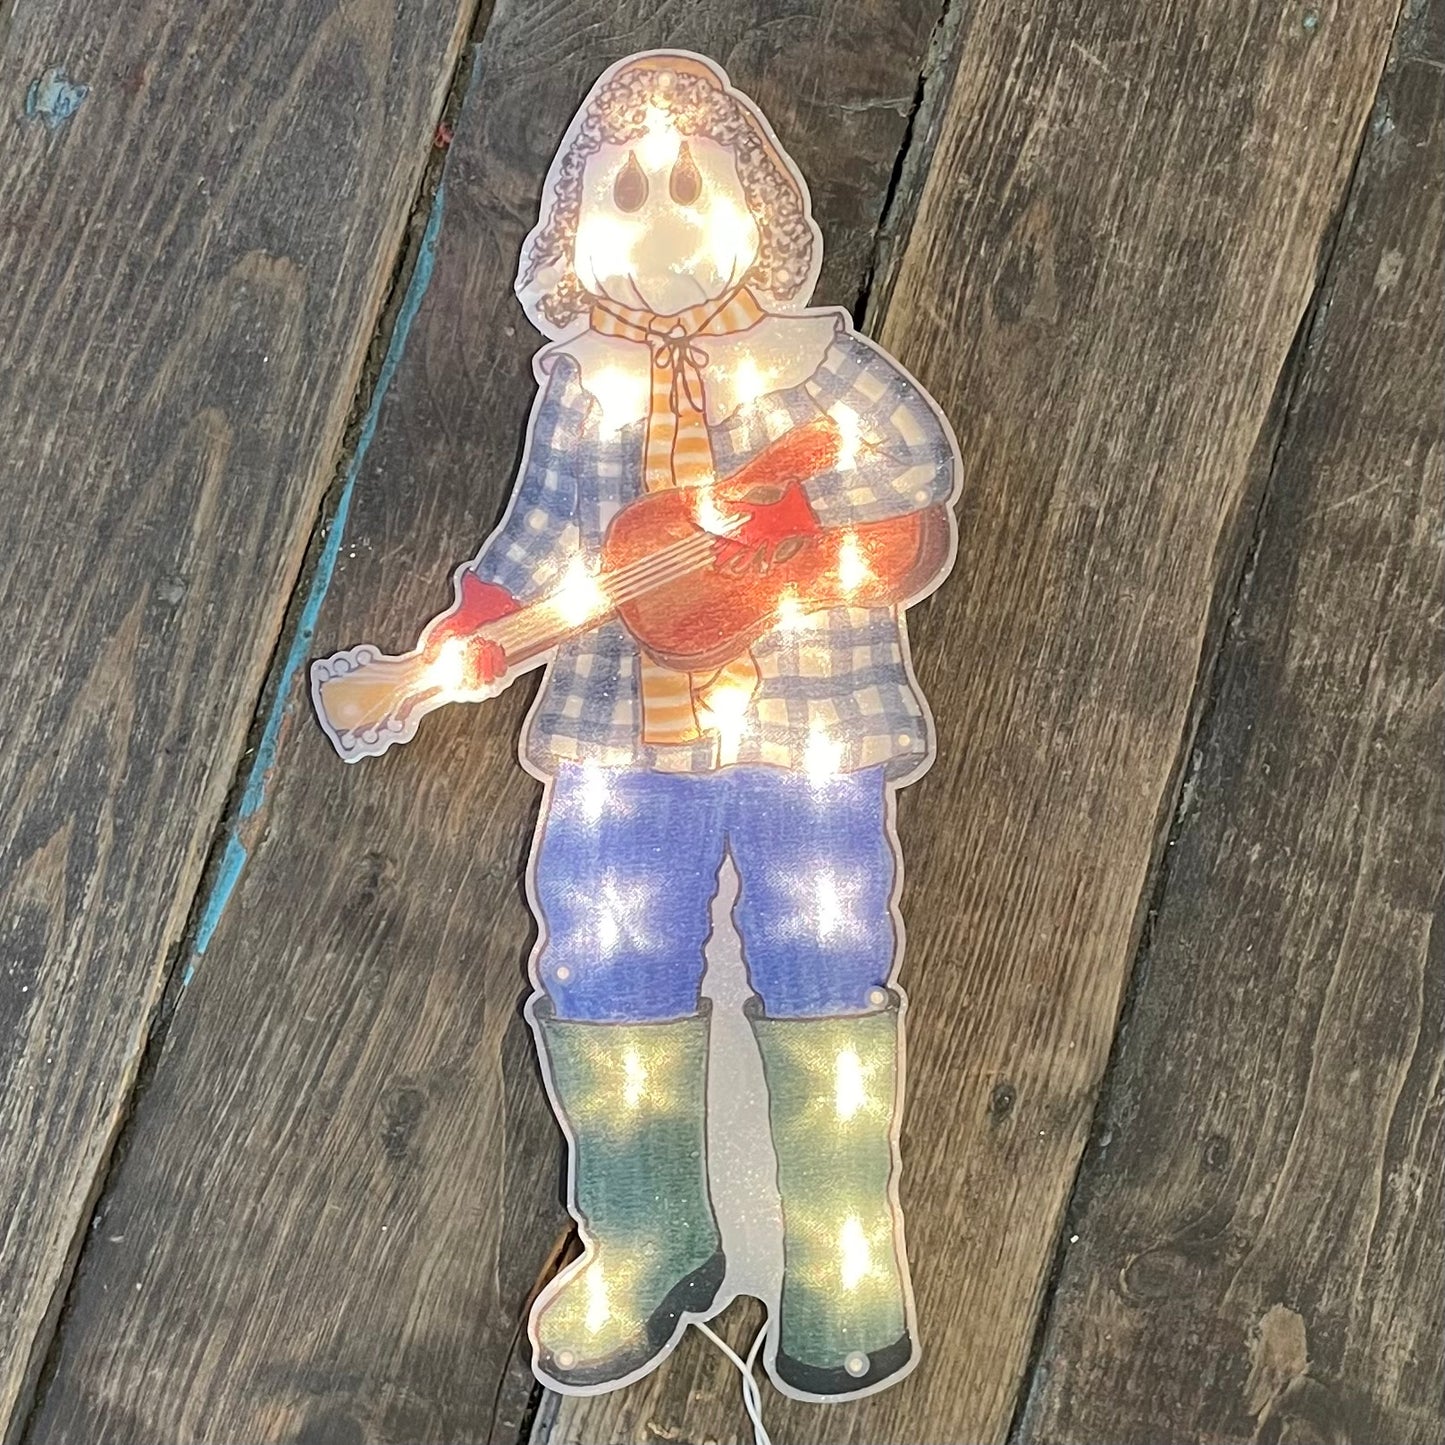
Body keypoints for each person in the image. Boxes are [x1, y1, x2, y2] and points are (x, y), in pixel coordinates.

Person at [420, 51, 959, 1398]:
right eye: (625, 192)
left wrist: (781, 524)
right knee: (606, 953)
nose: (659, 213)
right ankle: (646, 1234)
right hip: (623, 732)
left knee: (824, 948)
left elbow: (914, 476)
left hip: (807, 719)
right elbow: (539, 539)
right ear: (574, 229)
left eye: (686, 183)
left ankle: (844, 1259)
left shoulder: (818, 368)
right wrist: (472, 631)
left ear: (752, 206)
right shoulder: (582, 388)